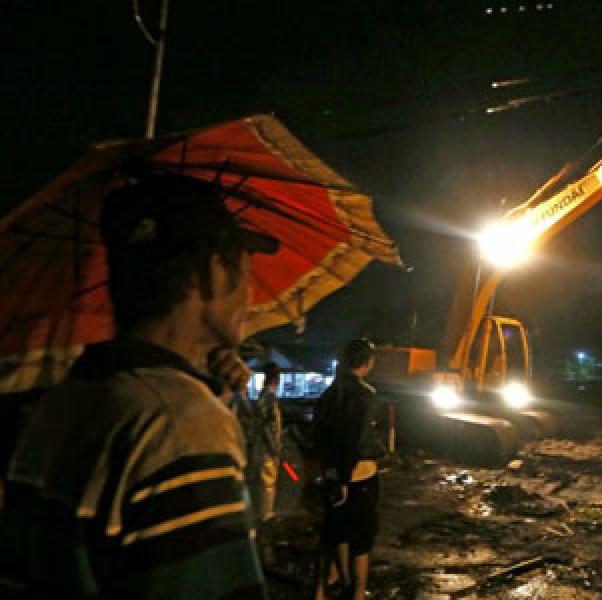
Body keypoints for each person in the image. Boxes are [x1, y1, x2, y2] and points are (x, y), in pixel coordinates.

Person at [1, 173, 279, 599]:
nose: (251, 296)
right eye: (244, 272)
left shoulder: (64, 399)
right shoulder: (179, 423)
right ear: (214, 274)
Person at [313, 338, 386, 600]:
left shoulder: (329, 395)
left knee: (333, 533)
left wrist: (331, 473)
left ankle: (322, 591)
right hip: (360, 476)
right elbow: (357, 441)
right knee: (361, 540)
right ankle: (358, 592)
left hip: (332, 475)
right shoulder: (366, 396)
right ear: (368, 363)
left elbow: (320, 436)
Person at [247, 361, 283, 522]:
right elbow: (268, 428)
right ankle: (265, 517)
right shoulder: (269, 398)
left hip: (262, 448)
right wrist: (275, 448)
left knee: (263, 483)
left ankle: (263, 514)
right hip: (266, 450)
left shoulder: (264, 396)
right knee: (266, 483)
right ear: (276, 379)